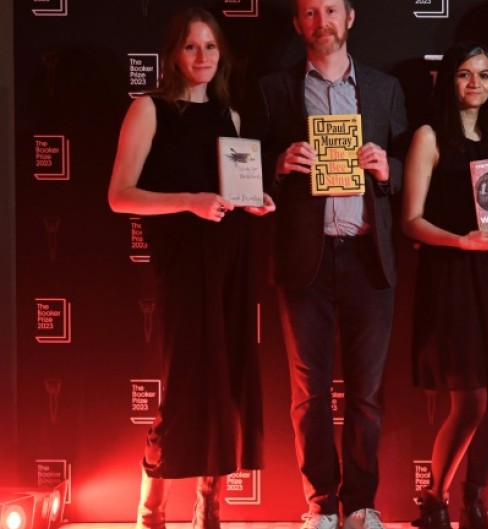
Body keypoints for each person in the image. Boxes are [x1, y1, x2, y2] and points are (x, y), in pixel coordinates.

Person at [107, 7, 275, 529]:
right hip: (182, 266)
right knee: (183, 388)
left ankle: (210, 503)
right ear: (173, 53)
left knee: (228, 385)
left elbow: (232, 193)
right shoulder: (149, 109)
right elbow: (119, 196)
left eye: (210, 46)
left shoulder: (232, 117)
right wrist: (189, 201)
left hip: (231, 261)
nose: (202, 56)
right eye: (191, 46)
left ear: (222, 54)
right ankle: (151, 507)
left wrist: (254, 202)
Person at [244, 0, 408, 528]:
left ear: (350, 18)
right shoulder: (273, 89)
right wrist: (277, 164)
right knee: (309, 393)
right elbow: (244, 166)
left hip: (368, 257)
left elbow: (412, 165)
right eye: (311, 13)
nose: (323, 22)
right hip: (304, 261)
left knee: (367, 393)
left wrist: (388, 168)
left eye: (331, 10)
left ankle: (360, 504)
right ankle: (321, 505)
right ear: (298, 24)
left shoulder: (384, 88)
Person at [402, 41, 488, 529]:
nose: (474, 83)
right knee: (472, 398)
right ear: (448, 81)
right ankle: (434, 501)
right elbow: (411, 221)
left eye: (484, 75)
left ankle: (474, 503)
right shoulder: (429, 136)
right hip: (453, 276)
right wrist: (462, 241)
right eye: (464, 74)